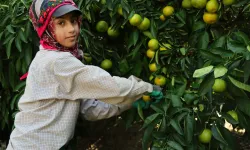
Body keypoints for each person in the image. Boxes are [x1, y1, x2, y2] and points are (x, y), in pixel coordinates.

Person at [7, 0, 161, 149]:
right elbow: (107, 85)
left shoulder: (58, 57)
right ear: (46, 28)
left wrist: (128, 104)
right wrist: (145, 88)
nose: (72, 29)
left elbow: (89, 108)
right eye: (61, 23)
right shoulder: (56, 62)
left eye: (73, 21)